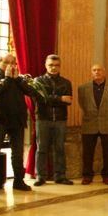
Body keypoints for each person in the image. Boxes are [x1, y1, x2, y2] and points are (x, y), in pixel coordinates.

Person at [0, 53, 36, 192]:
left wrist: (18, 80)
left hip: (17, 119)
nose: (11, 65)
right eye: (7, 62)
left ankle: (19, 181)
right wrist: (7, 79)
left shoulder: (18, 78)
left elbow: (31, 91)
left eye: (13, 63)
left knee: (18, 153)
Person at [33, 54, 74, 185]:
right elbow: (40, 99)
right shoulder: (38, 81)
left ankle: (60, 176)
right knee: (42, 149)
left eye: (56, 65)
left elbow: (69, 101)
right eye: (51, 65)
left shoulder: (66, 82)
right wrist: (60, 99)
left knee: (60, 148)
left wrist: (52, 99)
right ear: (46, 66)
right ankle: (41, 176)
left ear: (60, 66)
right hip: (43, 119)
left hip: (61, 120)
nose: (54, 68)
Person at [78, 64, 108, 185]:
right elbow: (82, 104)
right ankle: (87, 175)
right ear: (91, 72)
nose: (97, 72)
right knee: (87, 153)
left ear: (104, 72)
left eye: (99, 70)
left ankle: (107, 175)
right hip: (89, 123)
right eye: (94, 70)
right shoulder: (83, 88)